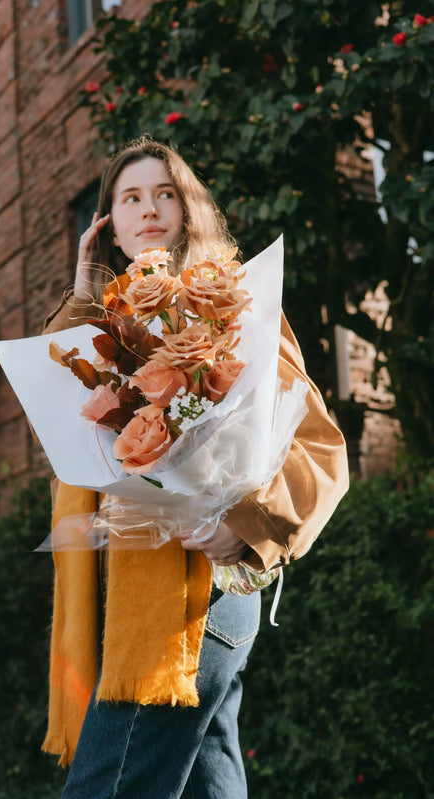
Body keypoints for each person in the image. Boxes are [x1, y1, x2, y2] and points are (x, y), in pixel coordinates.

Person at [40, 138, 349, 798]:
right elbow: (60, 412)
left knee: (109, 783)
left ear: (191, 210)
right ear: (109, 227)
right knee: (211, 780)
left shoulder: (230, 307)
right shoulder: (105, 320)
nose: (148, 207)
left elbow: (317, 444)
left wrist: (245, 521)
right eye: (130, 197)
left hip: (191, 591)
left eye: (164, 192)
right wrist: (84, 288)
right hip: (127, 591)